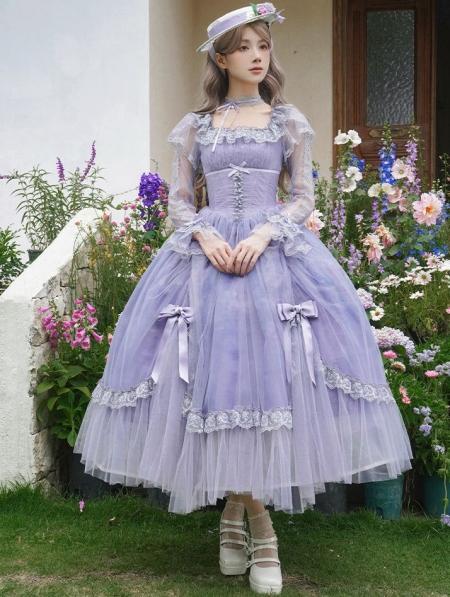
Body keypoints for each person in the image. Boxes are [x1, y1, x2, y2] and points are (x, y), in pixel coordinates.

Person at [75, 4, 412, 594]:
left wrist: (263, 235)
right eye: (245, 47)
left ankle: (240, 516)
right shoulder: (195, 126)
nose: (258, 55)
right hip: (204, 263)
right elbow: (179, 201)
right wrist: (204, 236)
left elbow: (303, 199)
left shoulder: (288, 121)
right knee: (219, 387)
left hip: (272, 260)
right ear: (221, 57)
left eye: (264, 45)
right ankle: (257, 522)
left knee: (265, 387)